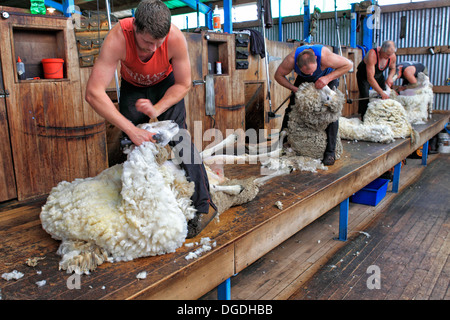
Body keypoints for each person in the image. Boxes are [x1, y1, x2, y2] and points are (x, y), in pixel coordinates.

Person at [85, 0, 216, 238]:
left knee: (181, 141)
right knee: (133, 146)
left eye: (159, 42)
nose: (154, 49)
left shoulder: (174, 38)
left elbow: (183, 84)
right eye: (147, 42)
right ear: (135, 26)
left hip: (166, 86)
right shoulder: (118, 38)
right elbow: (93, 92)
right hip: (133, 88)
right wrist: (132, 130)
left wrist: (156, 108)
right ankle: (143, 210)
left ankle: (203, 207)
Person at [274, 44, 353, 166]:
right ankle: (283, 143)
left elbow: (349, 64)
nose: (311, 74)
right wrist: (294, 89)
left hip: (328, 77)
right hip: (303, 79)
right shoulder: (291, 60)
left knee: (331, 111)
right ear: (297, 66)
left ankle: (330, 152)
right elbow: (278, 75)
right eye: (307, 72)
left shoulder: (325, 56)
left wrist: (326, 78)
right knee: (292, 107)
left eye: (311, 71)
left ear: (316, 58)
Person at [356, 40, 397, 120]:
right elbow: (370, 78)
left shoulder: (392, 56)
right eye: (387, 54)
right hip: (364, 76)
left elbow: (393, 69)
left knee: (385, 93)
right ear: (381, 50)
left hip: (378, 75)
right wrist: (380, 92)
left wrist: (390, 77)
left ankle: (382, 116)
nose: (389, 56)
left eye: (391, 54)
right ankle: (364, 118)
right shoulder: (372, 55)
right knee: (365, 96)